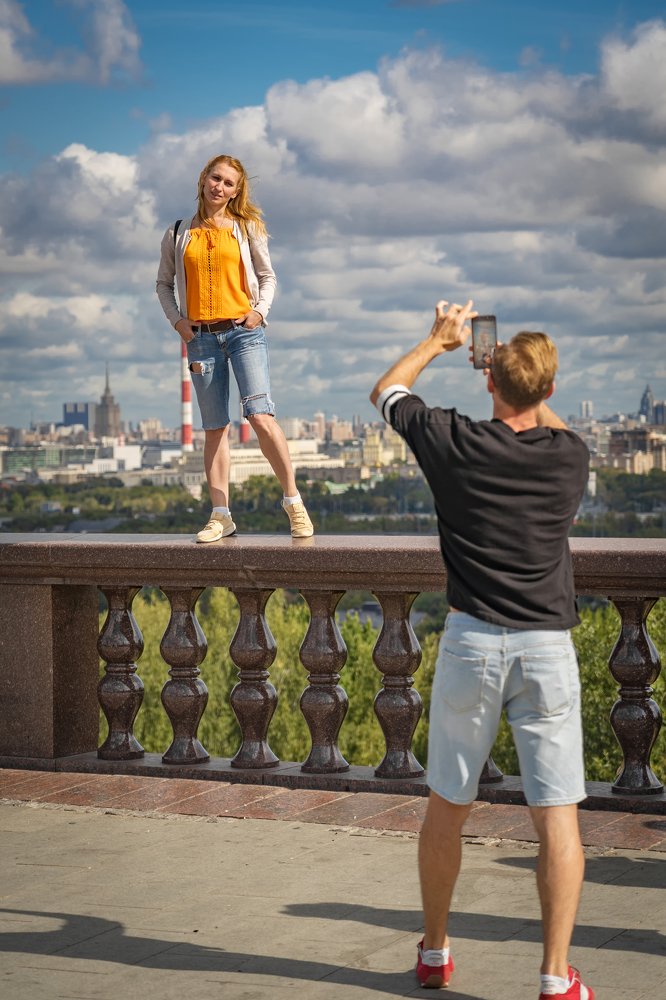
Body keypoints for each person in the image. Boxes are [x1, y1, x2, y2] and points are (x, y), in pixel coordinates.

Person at [370, 300, 593, 1000]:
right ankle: (556, 978)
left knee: (448, 805)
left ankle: (435, 951)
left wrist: (440, 342)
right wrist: (519, 383)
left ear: (490, 382)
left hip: (471, 642)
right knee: (556, 817)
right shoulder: (570, 457)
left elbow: (388, 391)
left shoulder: (454, 441)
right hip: (546, 649)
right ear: (551, 391)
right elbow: (549, 421)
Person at [156, 154, 314, 541]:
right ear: (203, 178)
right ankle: (220, 515)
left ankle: (294, 503)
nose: (219, 187)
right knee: (214, 428)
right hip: (201, 340)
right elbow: (163, 284)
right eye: (215, 178)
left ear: (236, 191)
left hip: (244, 333)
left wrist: (260, 311)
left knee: (260, 416)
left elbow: (267, 276)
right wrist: (179, 322)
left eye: (228, 183)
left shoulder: (246, 227)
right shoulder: (178, 232)